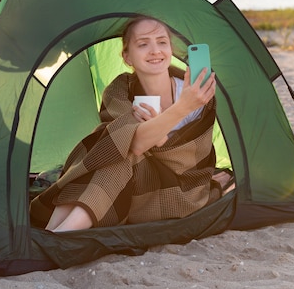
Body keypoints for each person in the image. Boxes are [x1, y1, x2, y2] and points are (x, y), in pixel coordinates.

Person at [29, 15, 227, 232]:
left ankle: (57, 234)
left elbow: (187, 153)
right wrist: (162, 126)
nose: (155, 50)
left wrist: (183, 107)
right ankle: (53, 232)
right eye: (143, 44)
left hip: (179, 190)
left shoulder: (192, 92)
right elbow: (136, 144)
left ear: (171, 50)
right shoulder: (120, 89)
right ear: (127, 57)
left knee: (117, 147)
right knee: (112, 144)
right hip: (135, 183)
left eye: (162, 42)